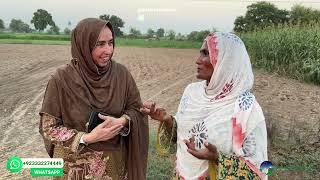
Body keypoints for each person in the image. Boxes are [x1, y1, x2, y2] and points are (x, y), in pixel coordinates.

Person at [140, 32, 268, 180]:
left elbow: (259, 168)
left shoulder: (246, 108)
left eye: (206, 53)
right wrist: (167, 120)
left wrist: (217, 158)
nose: (198, 60)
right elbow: (184, 135)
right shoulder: (192, 92)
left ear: (226, 61)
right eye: (200, 52)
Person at [39, 18, 149, 180]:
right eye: (100, 44)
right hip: (74, 169)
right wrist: (87, 138)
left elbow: (136, 110)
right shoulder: (61, 79)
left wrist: (123, 121)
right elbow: (48, 127)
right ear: (83, 45)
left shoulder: (121, 75)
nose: (108, 50)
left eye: (110, 43)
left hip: (113, 166)